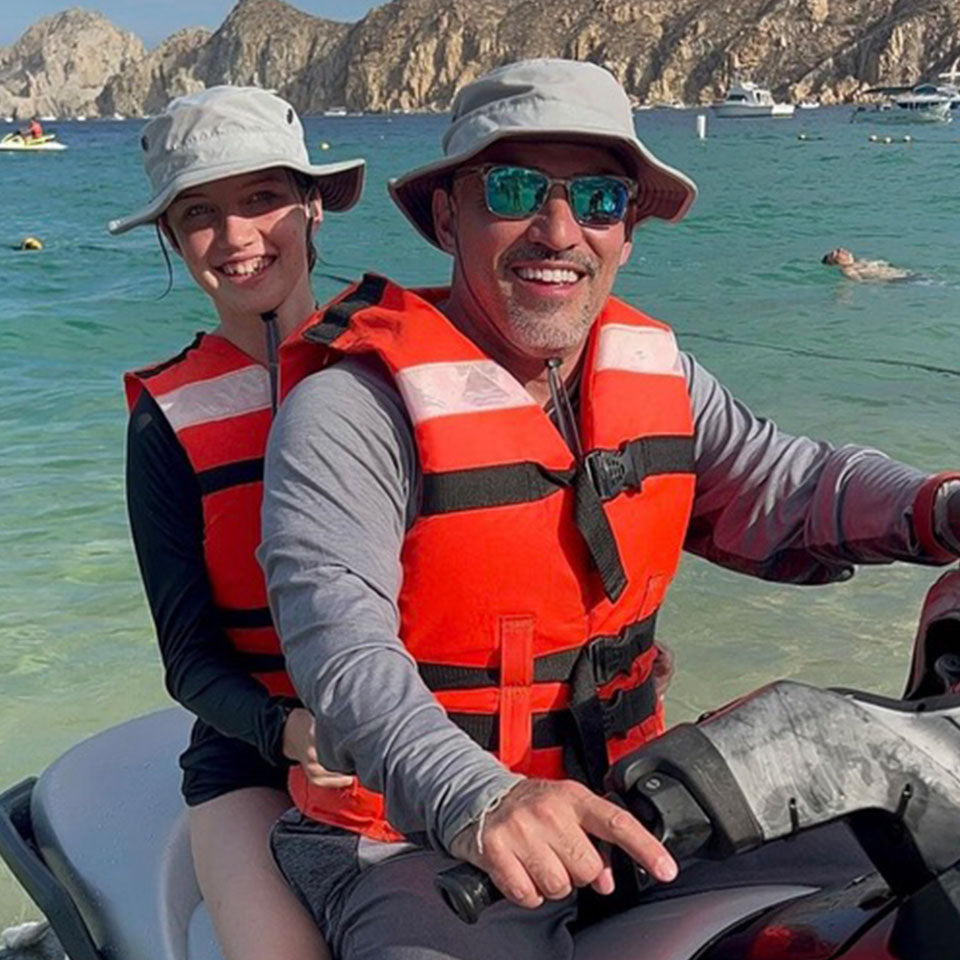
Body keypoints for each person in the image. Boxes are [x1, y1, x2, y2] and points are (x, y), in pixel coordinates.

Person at [259, 59, 960, 959]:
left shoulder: (658, 377)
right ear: (447, 216)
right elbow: (341, 650)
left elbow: (790, 486)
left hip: (630, 807)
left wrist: (934, 505)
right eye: (515, 189)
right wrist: (482, 799)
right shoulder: (352, 409)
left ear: (627, 228)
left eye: (598, 199)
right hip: (414, 845)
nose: (559, 231)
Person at [109, 86, 365, 960]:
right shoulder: (164, 419)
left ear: (313, 204)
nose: (238, 236)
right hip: (253, 756)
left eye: (263, 199)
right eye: (200, 214)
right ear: (173, 241)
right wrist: (294, 734)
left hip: (435, 722)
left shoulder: (401, 353)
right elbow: (188, 659)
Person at [821, 246, 911, 282]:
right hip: (898, 281)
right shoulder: (848, 270)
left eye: (838, 249)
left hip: (906, 274)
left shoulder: (860, 261)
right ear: (835, 263)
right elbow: (862, 282)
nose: (840, 249)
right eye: (835, 253)